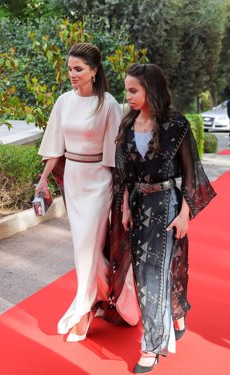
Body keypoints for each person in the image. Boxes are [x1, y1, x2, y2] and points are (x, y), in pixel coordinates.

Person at [104, 63, 216, 373]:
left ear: (151, 90)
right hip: (139, 204)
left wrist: (185, 215)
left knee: (153, 275)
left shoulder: (176, 125)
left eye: (133, 90)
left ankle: (151, 347)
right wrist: (125, 207)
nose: (127, 96)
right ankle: (176, 312)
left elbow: (192, 173)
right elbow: (123, 174)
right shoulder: (128, 124)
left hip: (166, 203)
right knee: (147, 275)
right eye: (127, 89)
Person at [36, 43, 139, 342]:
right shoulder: (63, 102)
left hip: (100, 182)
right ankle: (114, 297)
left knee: (86, 249)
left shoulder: (108, 104)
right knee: (86, 251)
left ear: (94, 71)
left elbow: (117, 155)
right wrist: (43, 181)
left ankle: (82, 310)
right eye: (69, 69)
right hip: (74, 181)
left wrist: (124, 197)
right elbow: (55, 146)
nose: (72, 74)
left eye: (78, 69)